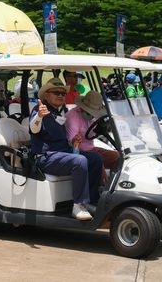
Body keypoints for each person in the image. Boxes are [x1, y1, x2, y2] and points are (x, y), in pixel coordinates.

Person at [30, 78, 103, 221]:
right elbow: (34, 128)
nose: (60, 96)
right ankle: (78, 205)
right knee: (80, 160)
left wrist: (74, 144)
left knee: (95, 159)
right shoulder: (40, 110)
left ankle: (91, 201)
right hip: (45, 157)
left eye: (63, 94)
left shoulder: (61, 111)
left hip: (62, 154)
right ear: (46, 95)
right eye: (56, 92)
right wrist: (39, 116)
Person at [65, 91, 119, 177]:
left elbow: (94, 131)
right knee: (97, 160)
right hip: (78, 151)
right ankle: (101, 188)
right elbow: (73, 143)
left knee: (118, 157)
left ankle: (114, 183)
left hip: (91, 149)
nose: (92, 115)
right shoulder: (72, 116)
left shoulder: (94, 116)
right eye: (89, 112)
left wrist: (107, 127)